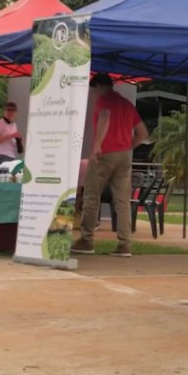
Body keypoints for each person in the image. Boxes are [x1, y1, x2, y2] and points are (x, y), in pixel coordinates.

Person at [72, 74, 147, 257]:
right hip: (124, 156)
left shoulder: (104, 101)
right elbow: (143, 133)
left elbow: (105, 116)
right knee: (122, 201)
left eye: (93, 91)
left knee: (91, 196)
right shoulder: (127, 104)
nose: (93, 95)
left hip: (104, 154)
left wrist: (97, 144)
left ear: (99, 86)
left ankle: (87, 240)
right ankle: (124, 244)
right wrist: (128, 146)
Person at [0, 101, 24, 169]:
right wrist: (12, 135)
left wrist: (18, 142)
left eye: (13, 110)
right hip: (1, 156)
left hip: (12, 157)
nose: (10, 112)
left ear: (16, 112)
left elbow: (12, 141)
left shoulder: (14, 125)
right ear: (4, 111)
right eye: (8, 110)